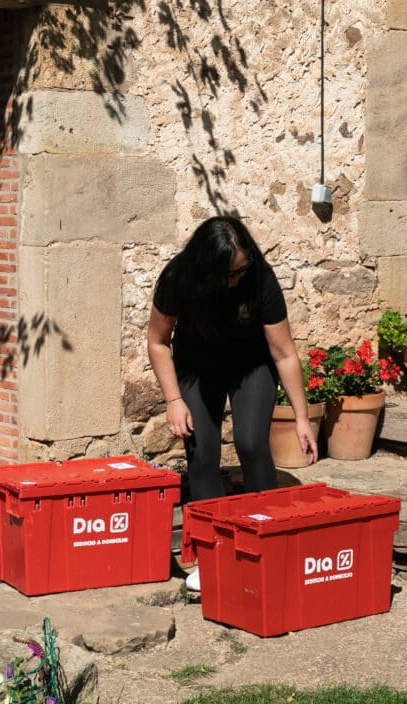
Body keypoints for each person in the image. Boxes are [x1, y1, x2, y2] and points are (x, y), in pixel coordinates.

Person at [147, 216, 315, 592]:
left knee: (252, 444)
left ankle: (268, 544)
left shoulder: (260, 278)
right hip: (196, 371)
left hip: (251, 366)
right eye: (229, 273)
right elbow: (158, 342)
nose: (238, 278)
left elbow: (284, 353)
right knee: (203, 453)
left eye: (242, 268)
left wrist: (302, 417)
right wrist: (174, 400)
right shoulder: (178, 279)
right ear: (207, 269)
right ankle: (214, 555)